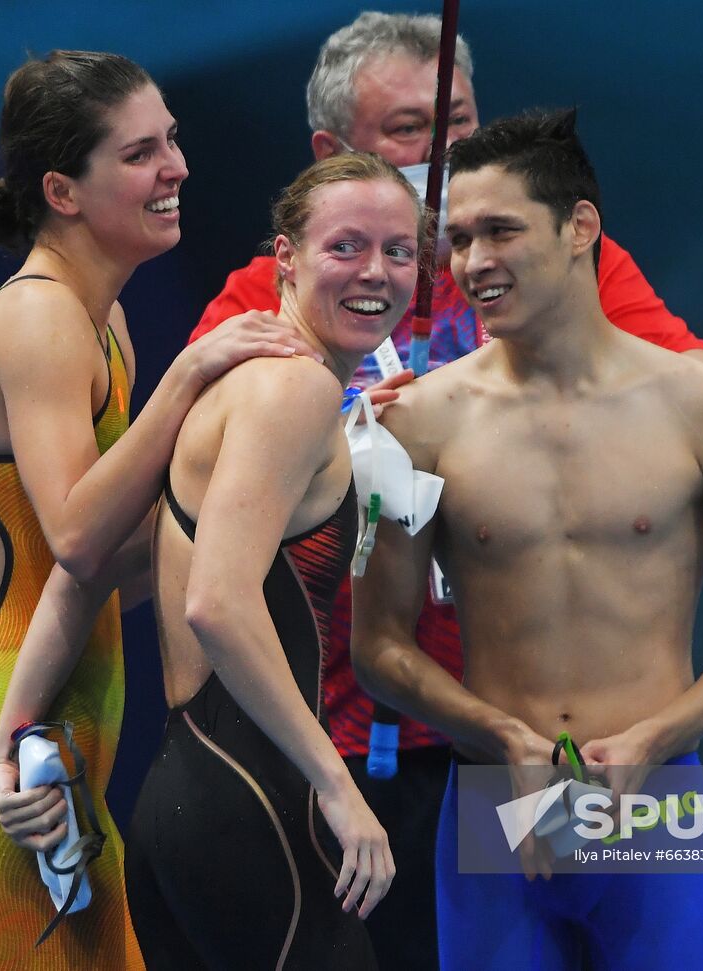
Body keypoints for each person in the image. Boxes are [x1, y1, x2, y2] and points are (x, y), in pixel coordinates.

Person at [187, 13, 703, 968]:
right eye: (408, 132)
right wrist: (355, 427)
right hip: (346, 749)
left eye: (460, 128)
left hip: (532, 750)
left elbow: (691, 413)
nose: (442, 159)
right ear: (332, 150)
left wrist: (478, 414)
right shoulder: (260, 301)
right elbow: (195, 504)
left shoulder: (558, 271)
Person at [350, 109, 703, 971]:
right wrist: (505, 736)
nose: (472, 263)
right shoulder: (415, 425)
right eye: (455, 240)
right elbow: (378, 645)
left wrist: (653, 737)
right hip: (495, 799)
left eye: (500, 231)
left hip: (654, 799)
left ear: (580, 229)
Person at [0, 50, 314, 969]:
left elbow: (128, 562)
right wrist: (191, 377)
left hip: (63, 755)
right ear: (63, 190)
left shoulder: (103, 319)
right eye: (142, 153)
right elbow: (73, 535)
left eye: (173, 139)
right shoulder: (40, 320)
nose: (177, 166)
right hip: (13, 774)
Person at [121, 152, 424, 969]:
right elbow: (216, 602)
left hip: (187, 794)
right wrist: (337, 785)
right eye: (346, 247)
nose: (377, 272)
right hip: (248, 800)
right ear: (284, 258)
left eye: (400, 251)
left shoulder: (258, 383)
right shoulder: (292, 391)